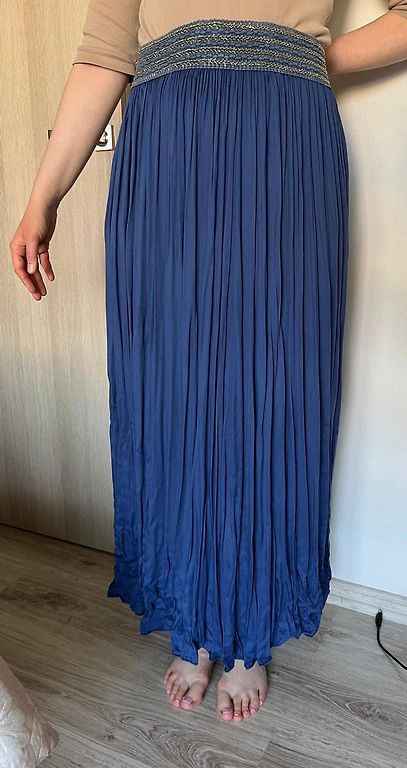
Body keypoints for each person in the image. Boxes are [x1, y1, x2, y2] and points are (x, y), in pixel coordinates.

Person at [9, 1, 407, 723]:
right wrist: (44, 196)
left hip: (285, 138)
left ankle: (252, 628)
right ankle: (189, 620)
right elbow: (105, 54)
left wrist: (308, 57)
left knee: (276, 387)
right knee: (171, 391)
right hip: (167, 145)